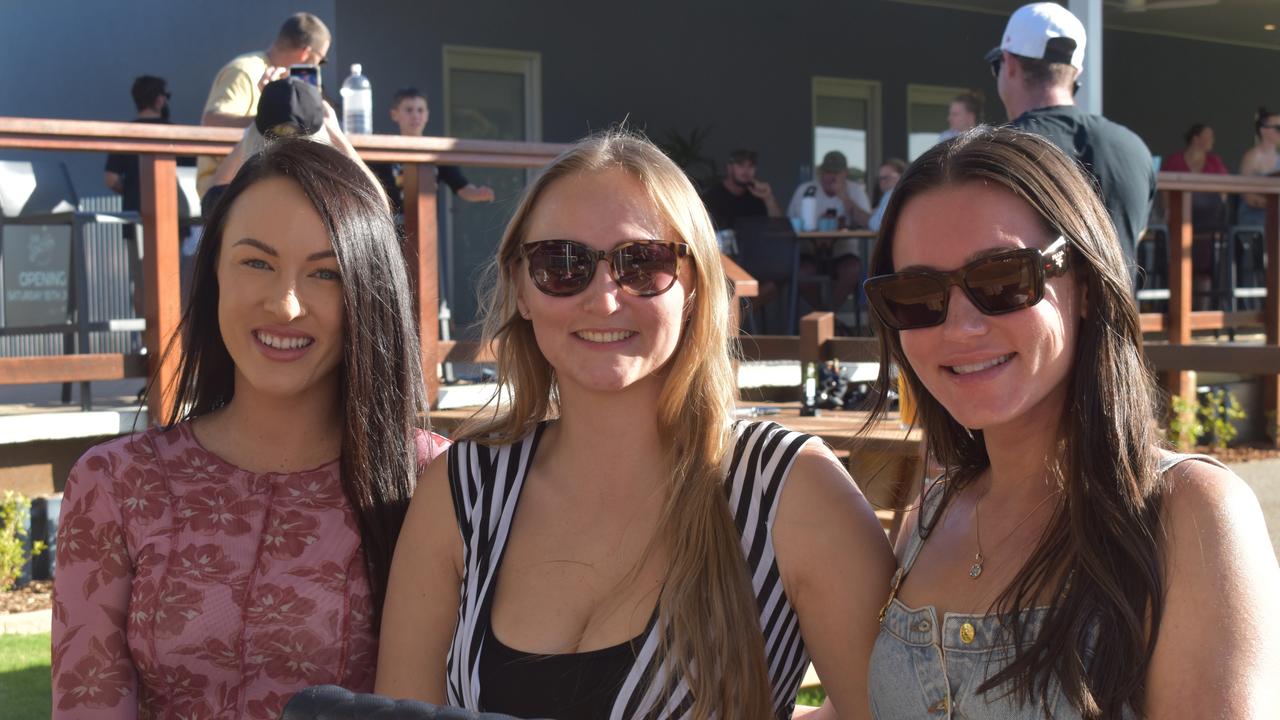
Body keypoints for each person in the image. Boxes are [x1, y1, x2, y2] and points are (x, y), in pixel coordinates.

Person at [375, 130, 894, 719]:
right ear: (520, 287)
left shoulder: (791, 489)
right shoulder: (463, 488)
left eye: (642, 264)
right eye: (561, 264)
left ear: (694, 285)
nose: (603, 298)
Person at [860, 126, 1278, 717]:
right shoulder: (931, 514)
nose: (959, 327)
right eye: (915, 293)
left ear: (1083, 284)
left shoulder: (1189, 514)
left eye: (1002, 279)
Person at [52, 139, 449, 719]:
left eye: (326, 274)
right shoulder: (115, 484)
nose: (285, 305)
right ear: (214, 271)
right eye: (256, 262)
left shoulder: (434, 483)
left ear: (370, 292)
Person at [988, 2, 1154, 282]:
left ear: (1010, 64)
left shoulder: (1001, 150)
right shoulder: (1133, 148)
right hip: (1119, 324)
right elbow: (1136, 236)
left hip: (1036, 325)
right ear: (1075, 73)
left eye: (997, 66)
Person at [196, 12, 331, 194]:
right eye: (321, 60)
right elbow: (212, 121)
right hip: (228, 187)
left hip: (266, 180)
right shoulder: (244, 71)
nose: (317, 67)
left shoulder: (293, 84)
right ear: (306, 53)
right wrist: (271, 120)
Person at [103, 75, 196, 317]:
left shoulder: (126, 133)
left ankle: (146, 342)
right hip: (175, 219)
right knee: (175, 281)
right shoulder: (176, 133)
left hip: (137, 218)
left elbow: (111, 178)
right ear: (158, 99)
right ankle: (174, 341)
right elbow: (192, 174)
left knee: (142, 281)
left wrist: (134, 191)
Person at [370, 87, 495, 220]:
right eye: (409, 110)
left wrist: (477, 193)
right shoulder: (385, 151)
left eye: (420, 110)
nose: (415, 115)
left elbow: (461, 185)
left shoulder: (436, 153)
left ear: (427, 115)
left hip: (426, 228)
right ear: (394, 114)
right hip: (391, 228)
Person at [788, 151, 873, 317]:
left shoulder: (855, 190)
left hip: (843, 252)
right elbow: (791, 224)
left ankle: (828, 315)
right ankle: (824, 316)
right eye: (827, 172)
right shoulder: (806, 190)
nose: (830, 177)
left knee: (853, 269)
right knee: (800, 271)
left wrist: (844, 197)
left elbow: (868, 223)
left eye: (836, 173)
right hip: (811, 252)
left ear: (845, 173)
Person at [1162, 123, 1229, 301]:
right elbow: (1165, 191)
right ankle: (1178, 305)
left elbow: (1223, 192)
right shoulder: (1175, 160)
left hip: (1206, 226)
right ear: (1195, 138)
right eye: (1208, 135)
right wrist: (1168, 210)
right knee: (1176, 261)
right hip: (1179, 223)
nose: (1212, 140)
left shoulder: (1214, 162)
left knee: (1206, 264)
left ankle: (1203, 309)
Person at [700, 147, 781, 231]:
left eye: (751, 165)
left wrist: (768, 198)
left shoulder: (757, 196)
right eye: (740, 165)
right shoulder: (712, 196)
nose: (746, 170)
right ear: (729, 168)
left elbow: (779, 229)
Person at [1237, 107, 1280, 227]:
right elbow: (1247, 195)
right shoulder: (1251, 157)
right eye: (1278, 128)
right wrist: (1272, 205)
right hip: (1255, 222)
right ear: (1263, 130)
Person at [867, 158, 906, 232]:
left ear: (900, 176)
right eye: (880, 178)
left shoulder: (892, 194)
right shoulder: (888, 194)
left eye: (886, 178)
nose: (882, 181)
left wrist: (875, 213)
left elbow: (876, 225)